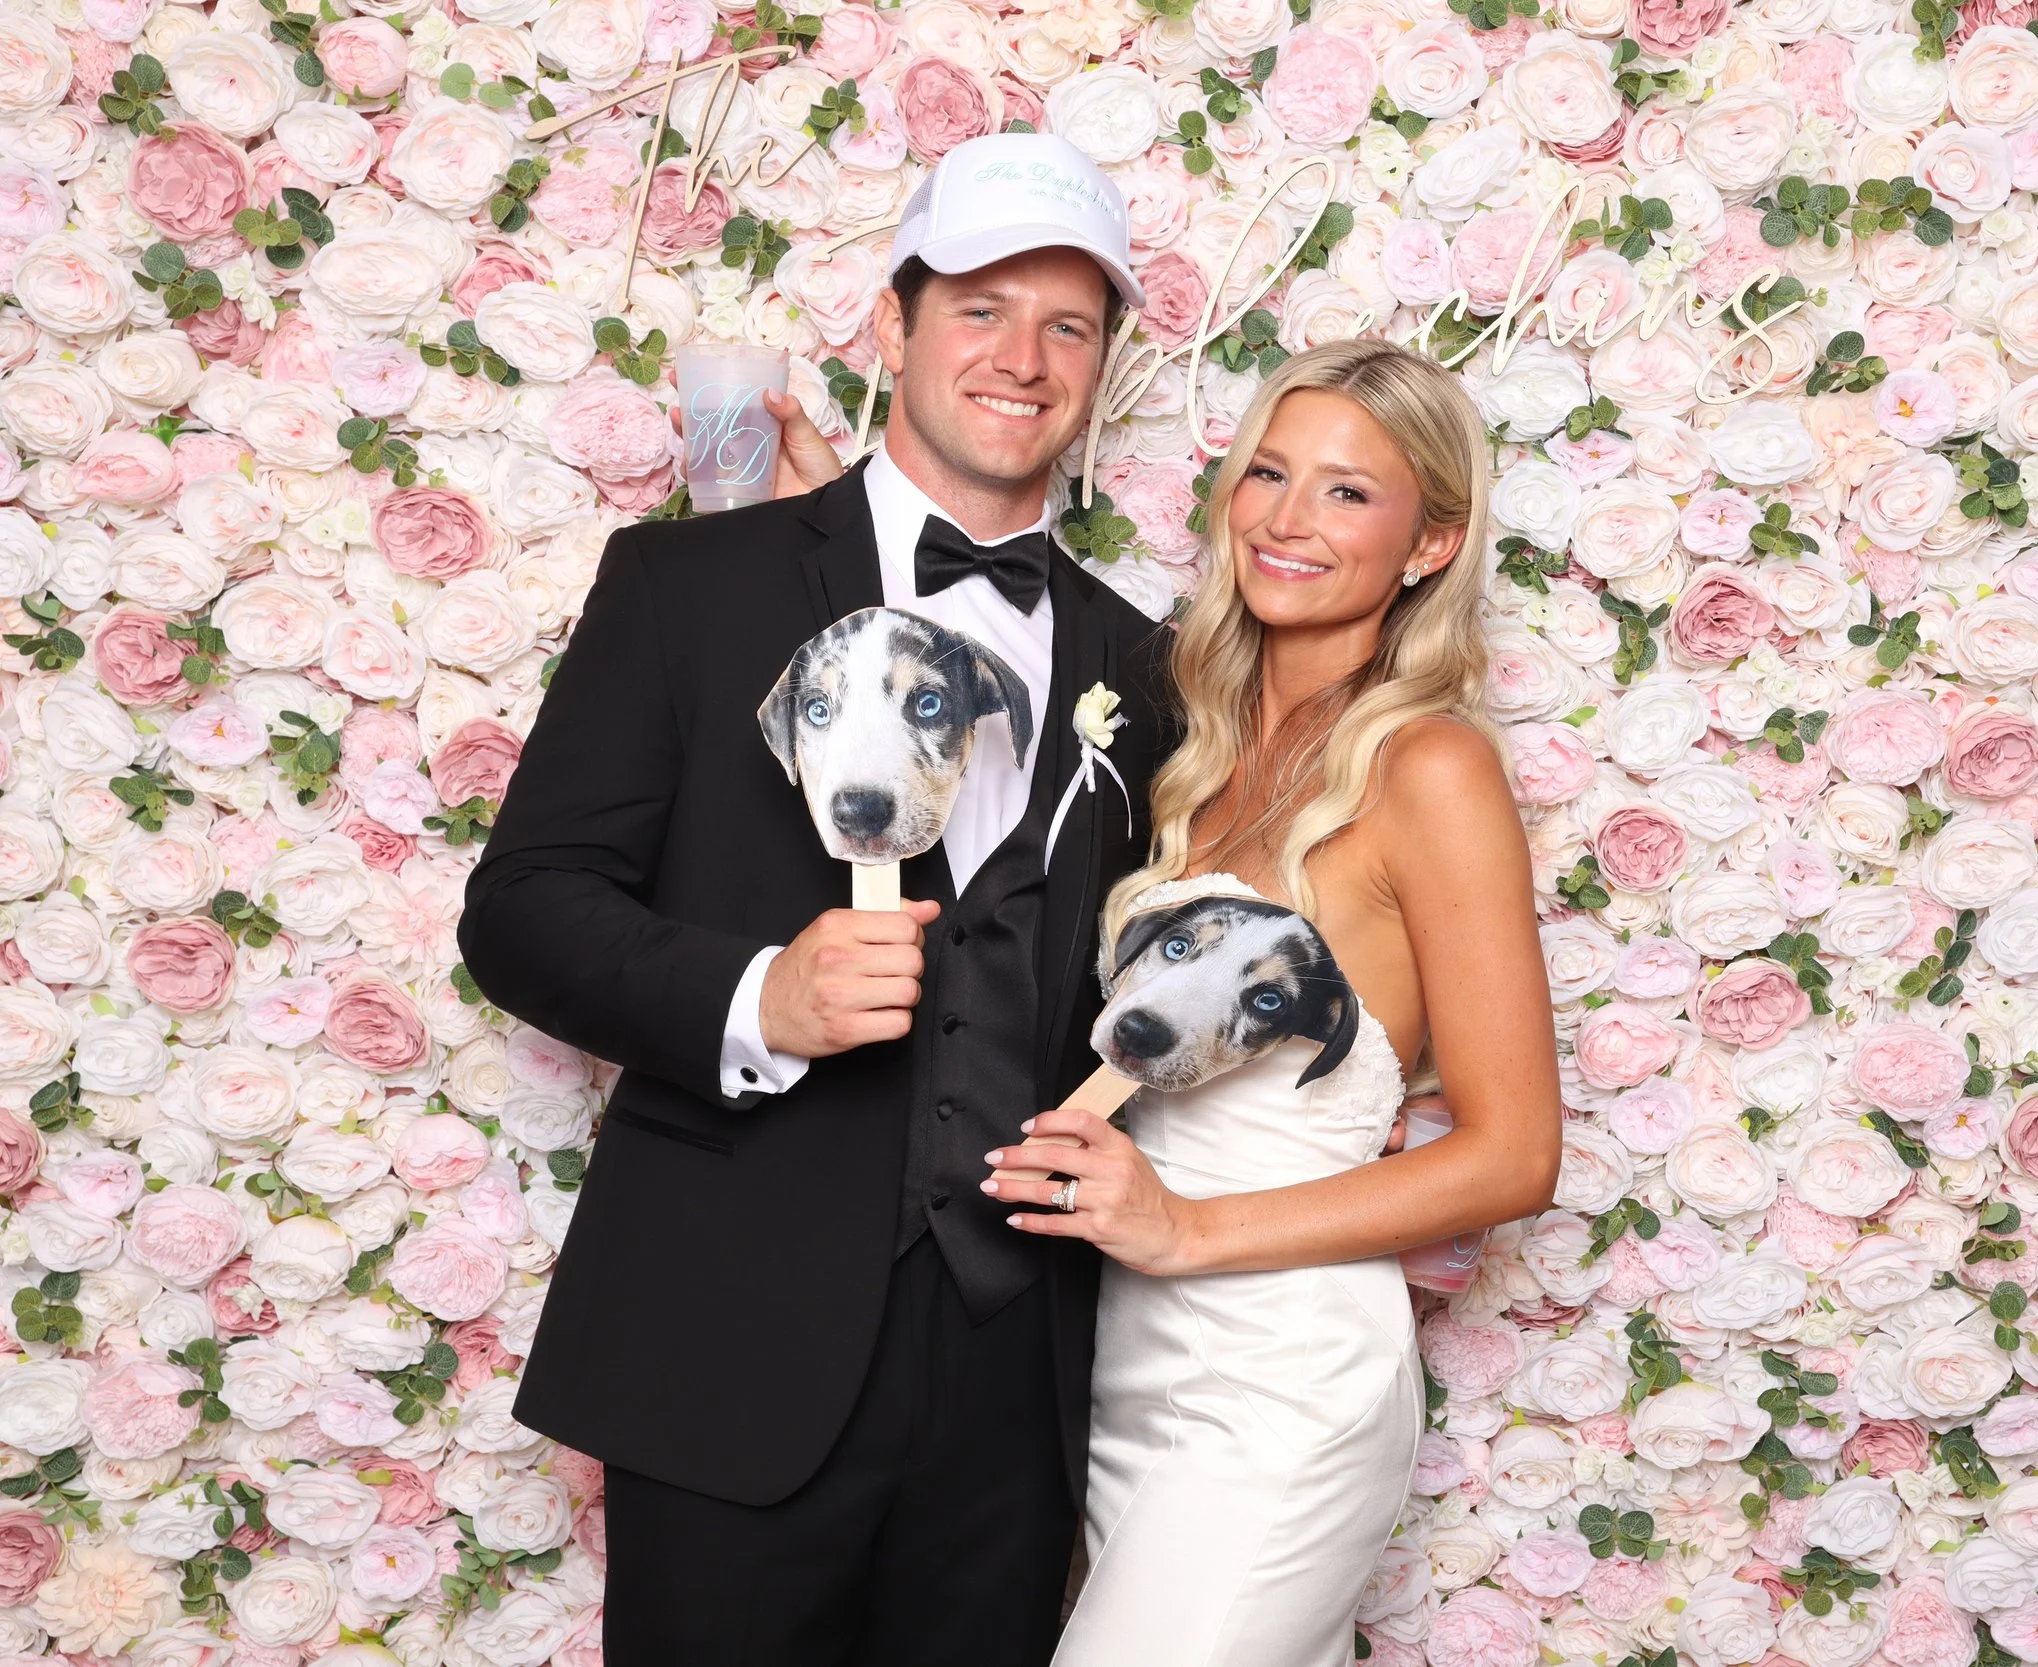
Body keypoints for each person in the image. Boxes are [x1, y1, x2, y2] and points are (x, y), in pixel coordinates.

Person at [458, 132, 1178, 1666]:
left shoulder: (1144, 662)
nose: (1025, 358)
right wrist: (756, 997)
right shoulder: (689, 587)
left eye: (1070, 324)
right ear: (893, 327)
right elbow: (520, 906)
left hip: (1013, 1373)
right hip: (732, 1337)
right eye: (981, 307)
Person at [982, 340, 1563, 1666]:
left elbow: (1516, 1152)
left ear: (1431, 543)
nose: (1290, 520)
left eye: (1350, 494)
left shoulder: (1431, 765)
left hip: (1281, 1381)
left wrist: (1185, 1227)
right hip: (1128, 1366)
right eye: (1270, 474)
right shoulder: (1189, 730)